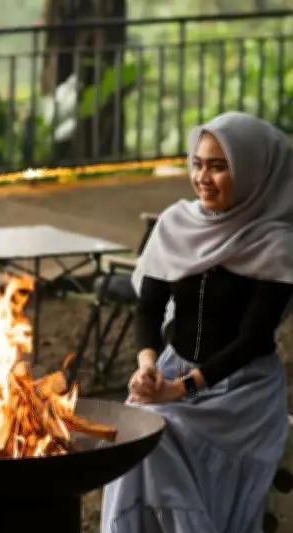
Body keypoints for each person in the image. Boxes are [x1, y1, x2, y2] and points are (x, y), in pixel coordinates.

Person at [100, 112, 293, 533]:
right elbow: (149, 309)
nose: (203, 178)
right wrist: (148, 367)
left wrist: (179, 390)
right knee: (132, 433)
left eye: (219, 166)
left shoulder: (275, 243)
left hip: (241, 393)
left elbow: (251, 339)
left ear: (252, 171)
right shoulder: (175, 225)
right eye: (198, 163)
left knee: (160, 434)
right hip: (172, 369)